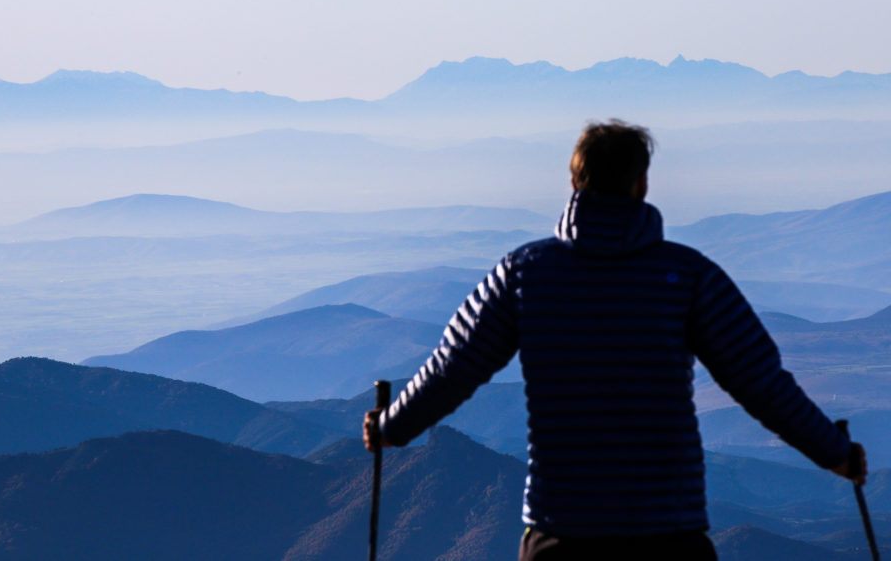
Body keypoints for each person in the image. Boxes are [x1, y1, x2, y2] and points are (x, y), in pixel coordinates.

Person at [362, 120, 867, 560]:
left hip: (562, 533)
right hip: (669, 533)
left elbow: (454, 367)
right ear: (641, 183)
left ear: (574, 181)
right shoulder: (689, 275)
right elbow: (761, 382)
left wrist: (392, 427)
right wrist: (835, 454)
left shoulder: (523, 274)